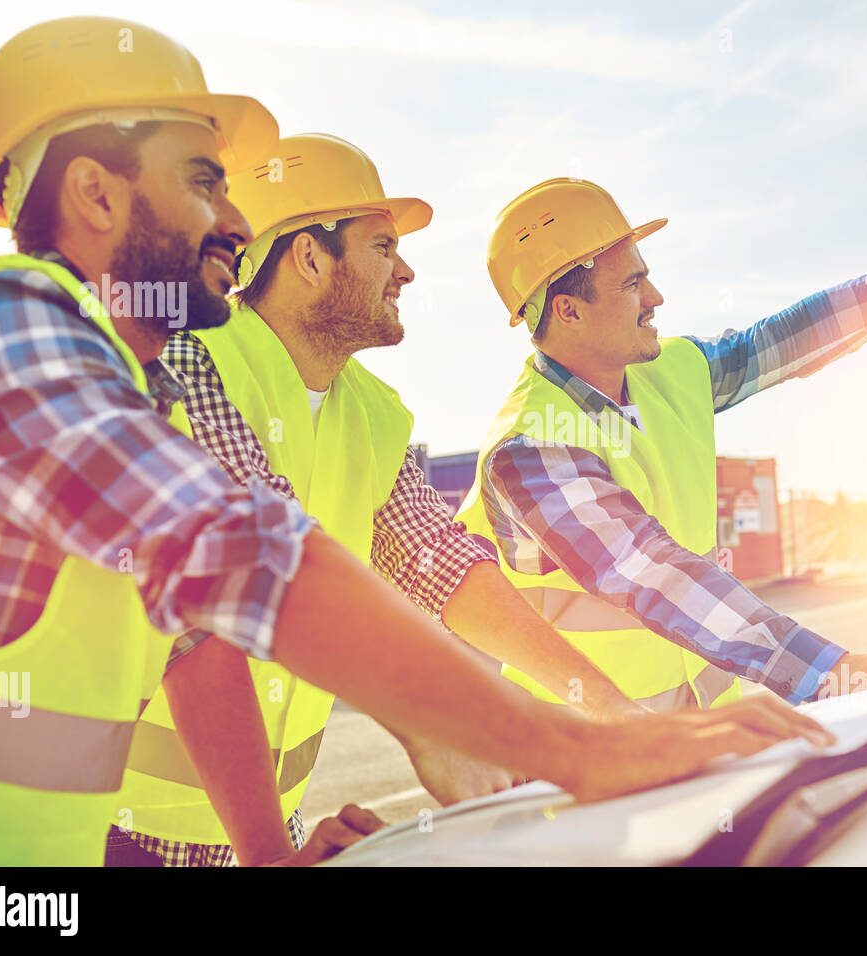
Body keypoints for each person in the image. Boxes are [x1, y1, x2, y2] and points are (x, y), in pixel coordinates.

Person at [0, 19, 832, 866]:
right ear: (93, 190)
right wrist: (571, 747)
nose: (234, 225)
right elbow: (241, 558)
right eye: (205, 182)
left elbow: (247, 618)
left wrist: (266, 853)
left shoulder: (149, 385)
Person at [114, 133, 648, 866]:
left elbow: (442, 565)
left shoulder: (370, 411)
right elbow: (253, 583)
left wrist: (604, 706)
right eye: (381, 246)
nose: (406, 270)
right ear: (309, 257)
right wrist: (442, 722)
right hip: (109, 829)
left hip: (249, 831)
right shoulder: (189, 366)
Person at [460, 178, 867, 710]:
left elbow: (791, 337)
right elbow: (650, 573)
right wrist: (832, 674)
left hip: (708, 739)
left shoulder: (672, 372)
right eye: (634, 283)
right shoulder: (532, 448)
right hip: (592, 771)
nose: (656, 298)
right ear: (568, 310)